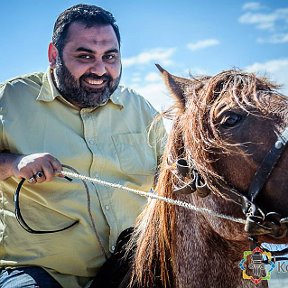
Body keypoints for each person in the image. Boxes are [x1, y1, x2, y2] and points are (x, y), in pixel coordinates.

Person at [0, 4, 166, 288]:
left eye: (110, 56)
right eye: (85, 56)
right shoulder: (10, 99)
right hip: (41, 271)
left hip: (133, 268)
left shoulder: (140, 108)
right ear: (54, 55)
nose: (100, 69)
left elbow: (175, 177)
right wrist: (15, 163)